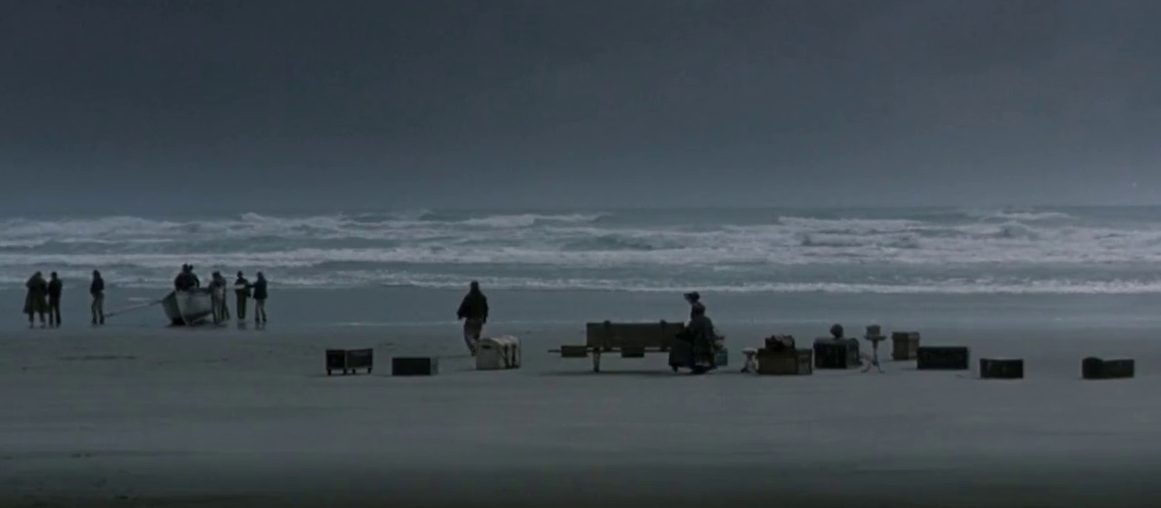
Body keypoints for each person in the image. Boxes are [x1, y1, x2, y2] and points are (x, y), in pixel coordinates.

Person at [681, 303, 720, 375]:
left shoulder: (694, 321)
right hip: (708, 345)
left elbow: (689, 333)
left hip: (698, 346)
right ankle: (706, 365)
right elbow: (711, 333)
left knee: (686, 345)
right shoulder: (707, 320)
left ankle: (695, 366)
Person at [456, 281, 489, 355]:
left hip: (470, 319)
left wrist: (460, 315)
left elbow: (463, 306)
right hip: (479, 319)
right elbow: (486, 308)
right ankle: (475, 349)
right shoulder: (482, 297)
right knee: (476, 336)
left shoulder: (469, 297)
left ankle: (474, 348)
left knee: (468, 336)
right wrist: (485, 318)